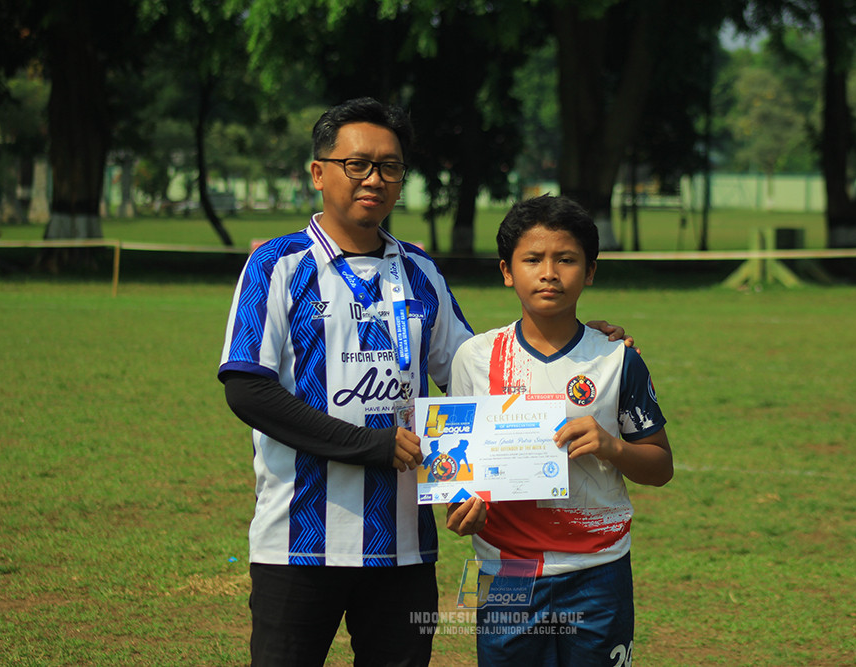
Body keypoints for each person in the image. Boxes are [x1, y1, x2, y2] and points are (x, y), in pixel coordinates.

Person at [218, 98, 632, 667]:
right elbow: (248, 389)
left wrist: (581, 337)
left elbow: (478, 373)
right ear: (319, 173)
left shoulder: (418, 270)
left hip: (404, 547)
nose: (374, 179)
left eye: (390, 167)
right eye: (356, 164)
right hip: (298, 542)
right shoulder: (277, 265)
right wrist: (373, 446)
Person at [444, 194, 674, 667]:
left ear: (590, 271)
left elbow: (660, 466)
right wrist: (460, 506)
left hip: (597, 568)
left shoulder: (615, 359)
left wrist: (611, 447)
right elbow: (458, 466)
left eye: (566, 259)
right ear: (507, 270)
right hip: (504, 568)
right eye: (532, 259)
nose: (549, 272)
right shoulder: (475, 358)